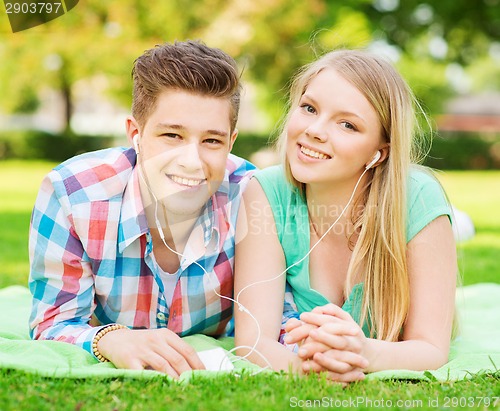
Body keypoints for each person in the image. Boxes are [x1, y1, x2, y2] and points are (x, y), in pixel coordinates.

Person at [28, 40, 255, 378]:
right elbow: (53, 323)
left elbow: (277, 319)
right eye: (172, 136)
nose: (192, 162)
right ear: (136, 133)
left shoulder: (251, 195)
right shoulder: (72, 195)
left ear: (231, 142)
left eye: (212, 141)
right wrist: (110, 339)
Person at [234, 49, 457, 383]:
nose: (315, 130)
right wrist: (315, 371)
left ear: (378, 152)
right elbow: (253, 341)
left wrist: (363, 353)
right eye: (309, 108)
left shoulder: (419, 199)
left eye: (347, 124)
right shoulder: (266, 192)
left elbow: (430, 347)